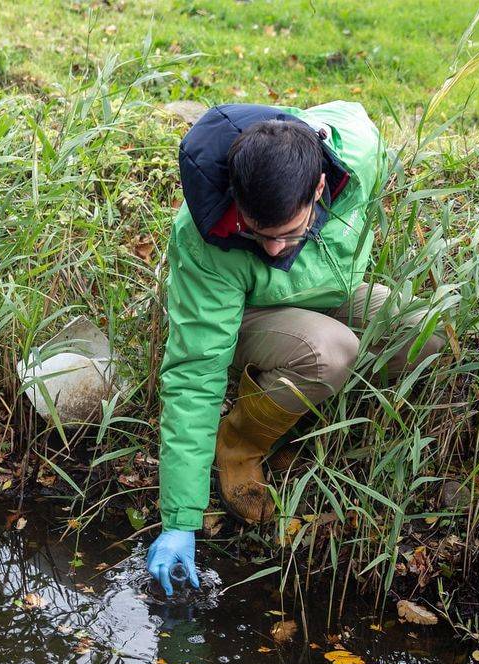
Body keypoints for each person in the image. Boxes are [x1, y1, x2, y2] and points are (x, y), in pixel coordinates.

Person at [146, 102, 444, 596]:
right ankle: (237, 443)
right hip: (245, 315)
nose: (272, 250)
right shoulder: (207, 234)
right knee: (330, 351)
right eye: (257, 234)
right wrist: (180, 518)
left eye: (288, 234)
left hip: (330, 295)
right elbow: (195, 374)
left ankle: (314, 417)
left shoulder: (359, 156)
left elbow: (347, 117)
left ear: (320, 189)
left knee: (429, 334)